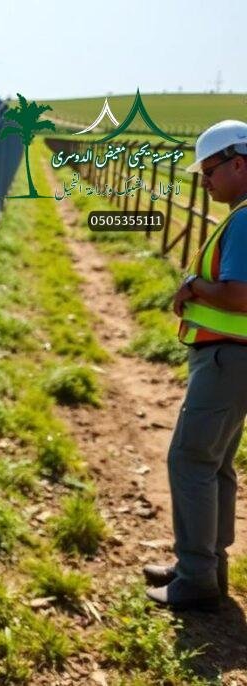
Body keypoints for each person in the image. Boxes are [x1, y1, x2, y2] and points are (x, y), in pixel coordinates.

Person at [145, 120, 247, 611]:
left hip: (228, 359)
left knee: (190, 460)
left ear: (237, 163)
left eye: (208, 171)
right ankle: (205, 563)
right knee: (215, 464)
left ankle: (197, 577)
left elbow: (240, 295)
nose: (203, 182)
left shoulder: (246, 219)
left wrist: (193, 288)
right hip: (232, 360)